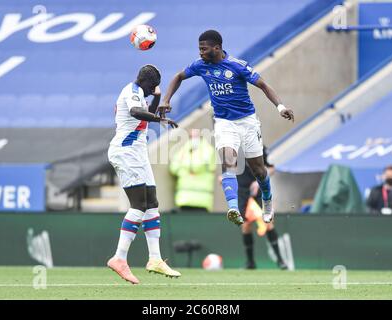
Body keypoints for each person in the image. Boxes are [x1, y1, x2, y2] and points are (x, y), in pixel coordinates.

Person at [160, 30, 294, 226]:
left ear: (217, 48)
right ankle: (233, 208)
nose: (200, 53)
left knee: (258, 170)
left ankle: (267, 200)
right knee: (228, 161)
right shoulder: (200, 66)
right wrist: (166, 100)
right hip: (223, 122)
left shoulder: (237, 66)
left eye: (204, 49)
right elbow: (179, 76)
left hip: (247, 121)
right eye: (199, 49)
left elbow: (263, 85)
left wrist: (280, 107)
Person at [107, 64, 181, 284]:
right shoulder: (131, 92)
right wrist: (160, 120)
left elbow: (146, 111)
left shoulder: (140, 93)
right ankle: (119, 258)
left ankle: (155, 259)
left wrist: (157, 101)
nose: (154, 90)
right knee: (139, 204)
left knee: (151, 202)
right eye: (154, 86)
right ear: (147, 82)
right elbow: (136, 112)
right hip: (126, 153)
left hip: (137, 155)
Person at [237, 146, 288, 270]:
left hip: (259, 192)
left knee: (268, 223)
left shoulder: (259, 146)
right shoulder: (233, 147)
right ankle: (250, 262)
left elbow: (271, 168)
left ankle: (280, 260)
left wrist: (258, 181)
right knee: (246, 225)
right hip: (243, 191)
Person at [169, 129, 216, 212]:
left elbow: (198, 166)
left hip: (202, 200)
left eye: (196, 136)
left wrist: (184, 168)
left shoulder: (208, 150)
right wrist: (184, 170)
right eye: (192, 136)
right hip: (184, 199)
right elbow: (174, 168)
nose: (194, 139)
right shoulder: (184, 150)